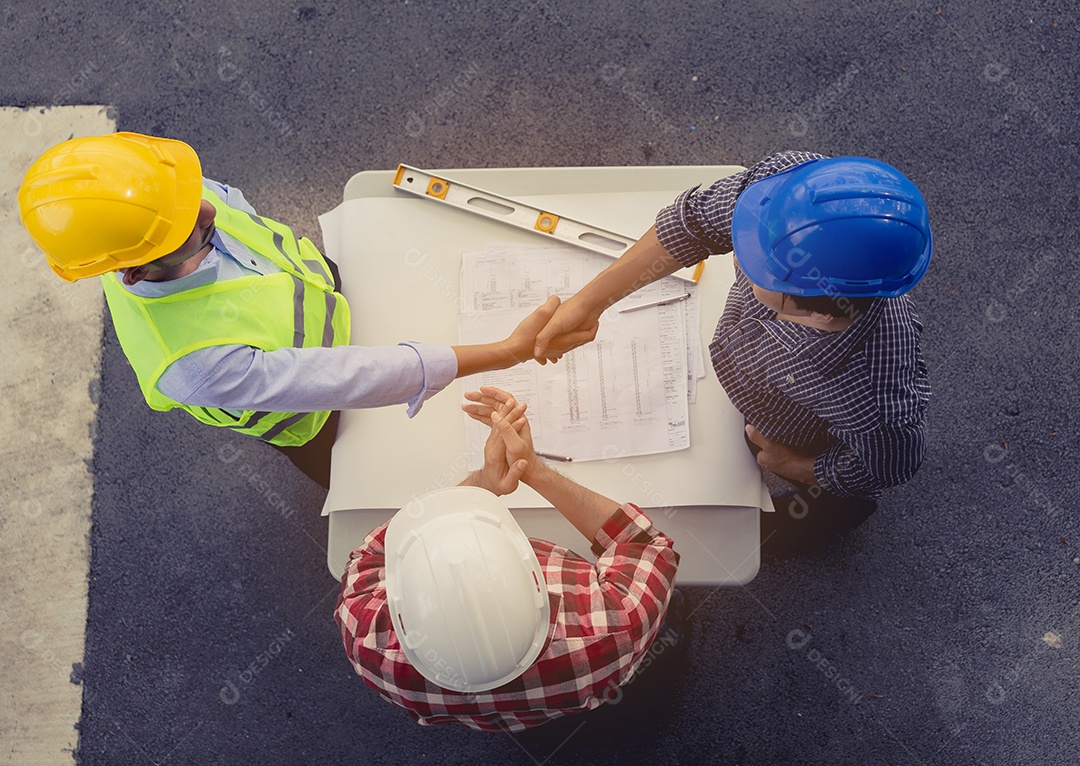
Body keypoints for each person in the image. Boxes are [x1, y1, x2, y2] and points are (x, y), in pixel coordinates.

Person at [18, 133, 587, 488]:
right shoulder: (189, 364)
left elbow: (244, 226)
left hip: (328, 294)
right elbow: (350, 378)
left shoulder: (161, 201)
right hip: (319, 421)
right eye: (186, 231)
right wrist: (507, 352)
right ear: (132, 272)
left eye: (192, 199)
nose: (210, 210)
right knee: (377, 482)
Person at [533, 151, 932, 555]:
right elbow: (695, 224)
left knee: (825, 511)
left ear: (815, 308)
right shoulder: (788, 191)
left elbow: (889, 465)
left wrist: (793, 466)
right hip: (752, 386)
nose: (737, 245)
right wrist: (590, 302)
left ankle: (826, 521)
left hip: (800, 442)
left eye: (756, 261)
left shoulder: (876, 395)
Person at [334, 387, 684, 731]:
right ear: (536, 581)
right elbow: (645, 545)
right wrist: (534, 471)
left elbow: (369, 556)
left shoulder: (368, 643)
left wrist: (482, 483)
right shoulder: (612, 627)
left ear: (400, 604)